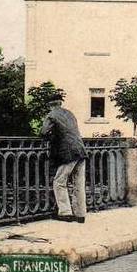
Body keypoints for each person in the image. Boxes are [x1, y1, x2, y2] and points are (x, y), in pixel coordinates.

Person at [40, 92, 88, 223]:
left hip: (67, 153)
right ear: (60, 103)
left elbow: (43, 132)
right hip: (81, 150)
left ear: (49, 105)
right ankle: (80, 214)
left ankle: (65, 212)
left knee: (59, 181)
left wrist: (51, 137)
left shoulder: (51, 115)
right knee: (79, 183)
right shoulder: (70, 114)